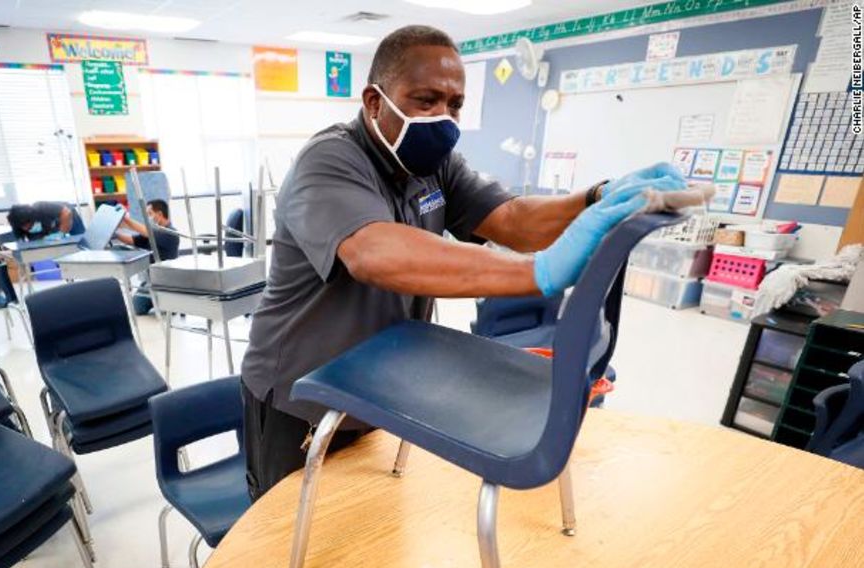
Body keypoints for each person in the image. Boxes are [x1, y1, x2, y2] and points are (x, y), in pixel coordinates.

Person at [239, 25, 687, 501]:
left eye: (454, 104)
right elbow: (373, 252)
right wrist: (539, 272)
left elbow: (512, 219)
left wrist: (594, 199)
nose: (443, 117)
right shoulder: (329, 160)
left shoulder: (436, 164)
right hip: (298, 394)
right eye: (425, 100)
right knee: (286, 536)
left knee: (363, 525)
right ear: (375, 101)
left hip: (376, 384)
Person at [115, 199, 181, 315]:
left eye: (149, 214)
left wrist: (125, 218)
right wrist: (114, 234)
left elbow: (147, 232)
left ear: (159, 214)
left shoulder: (171, 233)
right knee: (136, 308)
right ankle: (159, 301)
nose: (148, 218)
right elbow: (132, 240)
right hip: (152, 280)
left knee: (159, 308)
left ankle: (168, 302)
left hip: (166, 281)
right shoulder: (153, 233)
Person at [7, 201, 85, 241]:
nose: (26, 228)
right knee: (38, 242)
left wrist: (61, 233)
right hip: (50, 222)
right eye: (22, 226)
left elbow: (66, 213)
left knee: (80, 239)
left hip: (67, 213)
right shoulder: (16, 224)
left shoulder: (40, 207)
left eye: (27, 223)